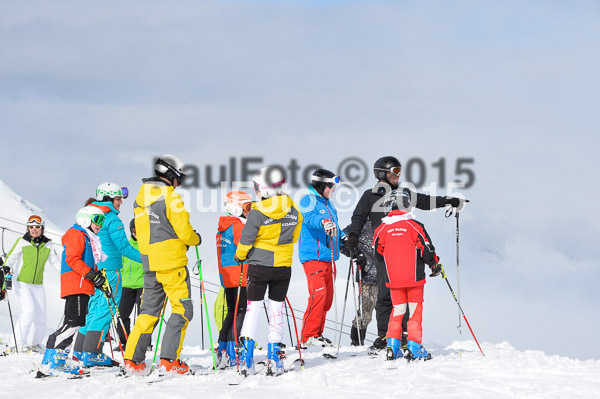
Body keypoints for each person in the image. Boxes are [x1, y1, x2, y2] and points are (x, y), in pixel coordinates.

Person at [345, 156, 464, 350]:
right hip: (383, 250)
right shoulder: (370, 195)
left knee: (407, 293)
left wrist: (448, 200)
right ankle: (386, 335)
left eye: (399, 171)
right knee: (385, 294)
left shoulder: (404, 193)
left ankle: (404, 333)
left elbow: (425, 201)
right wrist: (352, 235)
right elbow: (358, 217)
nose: (398, 175)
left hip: (407, 249)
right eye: (395, 171)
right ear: (382, 173)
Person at [123, 154, 201, 375]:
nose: (180, 183)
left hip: (149, 262)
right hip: (172, 263)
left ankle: (132, 360)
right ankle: (169, 360)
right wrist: (195, 238)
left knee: (148, 312)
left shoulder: (139, 199)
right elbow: (185, 232)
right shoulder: (170, 198)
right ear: (171, 175)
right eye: (180, 178)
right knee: (183, 309)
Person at [235, 167, 303, 376]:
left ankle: (247, 357)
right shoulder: (294, 210)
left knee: (253, 309)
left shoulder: (257, 212)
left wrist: (240, 255)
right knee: (276, 310)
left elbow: (246, 240)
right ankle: (275, 355)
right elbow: (293, 237)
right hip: (283, 266)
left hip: (259, 266)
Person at [73, 183, 141, 367]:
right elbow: (125, 248)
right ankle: (92, 353)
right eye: (118, 199)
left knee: (94, 311)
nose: (121, 203)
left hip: (94, 271)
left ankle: (79, 351)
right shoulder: (111, 219)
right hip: (111, 271)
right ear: (108, 199)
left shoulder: (90, 215)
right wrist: (149, 260)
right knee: (105, 310)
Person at [39, 206, 110, 377]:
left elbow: (84, 263)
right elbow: (72, 259)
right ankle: (54, 361)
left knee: (74, 322)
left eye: (102, 221)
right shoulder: (76, 234)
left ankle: (54, 360)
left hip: (82, 285)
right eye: (98, 220)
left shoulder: (86, 236)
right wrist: (91, 275)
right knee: (73, 323)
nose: (100, 225)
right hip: (76, 284)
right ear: (86, 219)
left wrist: (97, 278)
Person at [373, 189, 442, 360]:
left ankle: (392, 346)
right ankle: (414, 346)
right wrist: (434, 263)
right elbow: (427, 250)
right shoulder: (414, 226)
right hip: (414, 278)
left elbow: (377, 252)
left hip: (393, 279)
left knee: (397, 310)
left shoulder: (382, 229)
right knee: (414, 311)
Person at [298, 169, 345, 347]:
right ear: (322, 185)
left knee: (327, 298)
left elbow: (336, 225)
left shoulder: (329, 205)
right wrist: (323, 222)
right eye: (331, 186)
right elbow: (309, 219)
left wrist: (343, 238)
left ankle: (317, 334)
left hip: (328, 256)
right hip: (313, 256)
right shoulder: (307, 200)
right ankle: (307, 336)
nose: (333, 189)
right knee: (319, 293)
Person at [3, 215, 60, 353]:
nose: (34, 230)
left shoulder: (48, 245)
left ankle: (34, 344)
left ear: (42, 229)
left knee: (41, 314)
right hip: (22, 282)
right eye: (31, 227)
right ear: (27, 228)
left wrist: (67, 274)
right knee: (29, 311)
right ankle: (16, 344)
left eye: (37, 227)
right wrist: (6, 267)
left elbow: (56, 263)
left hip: (37, 284)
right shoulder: (22, 242)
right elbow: (10, 258)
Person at [215, 191, 252, 368]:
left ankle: (222, 347)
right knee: (241, 311)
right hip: (241, 274)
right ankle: (233, 349)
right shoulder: (237, 225)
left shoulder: (222, 226)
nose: (249, 211)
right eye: (247, 207)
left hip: (227, 275)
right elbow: (246, 247)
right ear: (237, 208)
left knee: (232, 311)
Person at [340, 220, 376, 346]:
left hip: (389, 276)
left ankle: (388, 341)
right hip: (367, 275)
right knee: (366, 312)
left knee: (390, 311)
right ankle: (356, 342)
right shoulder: (359, 225)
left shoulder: (389, 222)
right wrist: (356, 254)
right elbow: (341, 240)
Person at [117, 218, 144, 346]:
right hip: (126, 285)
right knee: (122, 315)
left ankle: (141, 342)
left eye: (139, 230)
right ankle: (124, 342)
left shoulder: (148, 246)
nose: (136, 233)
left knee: (143, 316)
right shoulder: (126, 246)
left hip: (143, 285)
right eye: (134, 230)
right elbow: (120, 264)